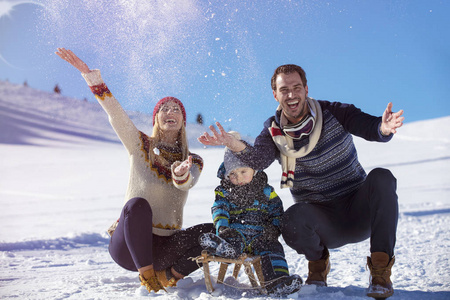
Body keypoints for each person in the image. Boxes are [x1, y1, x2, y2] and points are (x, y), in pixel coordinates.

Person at [198, 64, 404, 299]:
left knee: (382, 178)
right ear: (275, 95)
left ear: (306, 89)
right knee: (291, 218)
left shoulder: (335, 112)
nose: (291, 95)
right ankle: (318, 264)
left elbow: (369, 126)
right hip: (321, 223)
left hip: (359, 212)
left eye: (297, 87)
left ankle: (380, 272)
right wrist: (231, 142)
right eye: (284, 90)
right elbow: (258, 159)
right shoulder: (273, 132)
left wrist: (382, 128)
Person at [56, 48, 214, 294]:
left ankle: (169, 275)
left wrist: (181, 172)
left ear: (183, 121)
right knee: (136, 205)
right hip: (128, 247)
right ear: (156, 119)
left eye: (176, 109)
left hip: (164, 248)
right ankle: (147, 276)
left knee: (212, 232)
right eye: (164, 108)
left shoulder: (194, 160)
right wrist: (92, 78)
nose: (170, 112)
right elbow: (116, 115)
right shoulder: (139, 145)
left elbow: (186, 182)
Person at [198, 132, 302, 296]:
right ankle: (224, 247)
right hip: (236, 232)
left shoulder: (266, 191)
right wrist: (223, 228)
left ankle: (278, 282)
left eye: (243, 171)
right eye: (232, 174)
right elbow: (219, 209)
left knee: (273, 248)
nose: (238, 178)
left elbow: (276, 211)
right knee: (232, 239)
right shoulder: (225, 192)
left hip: (260, 236)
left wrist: (273, 230)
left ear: (254, 169)